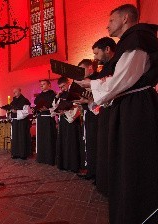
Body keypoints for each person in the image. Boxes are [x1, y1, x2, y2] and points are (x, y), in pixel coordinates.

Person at [75, 4, 158, 223]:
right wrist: (93, 85)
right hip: (129, 105)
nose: (107, 25)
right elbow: (118, 80)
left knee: (134, 160)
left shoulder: (137, 37)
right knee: (125, 159)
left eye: (111, 20)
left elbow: (121, 81)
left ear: (125, 19)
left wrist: (92, 85)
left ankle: (140, 213)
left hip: (136, 108)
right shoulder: (130, 40)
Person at [91, 36, 116, 196]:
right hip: (105, 112)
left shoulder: (117, 65)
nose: (95, 58)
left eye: (96, 53)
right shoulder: (106, 68)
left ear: (107, 49)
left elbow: (114, 88)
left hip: (115, 112)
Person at [76, 59, 99, 180]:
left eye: (82, 69)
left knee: (95, 143)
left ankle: (97, 173)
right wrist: (81, 103)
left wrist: (88, 101)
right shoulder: (84, 82)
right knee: (89, 143)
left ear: (90, 67)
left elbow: (103, 99)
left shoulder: (97, 79)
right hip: (88, 115)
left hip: (97, 117)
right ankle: (91, 170)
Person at [54, 77, 81, 172]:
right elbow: (55, 106)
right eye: (60, 87)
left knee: (71, 142)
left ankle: (73, 165)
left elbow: (77, 106)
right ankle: (64, 163)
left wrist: (65, 112)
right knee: (64, 142)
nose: (62, 89)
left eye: (63, 86)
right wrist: (57, 98)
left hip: (71, 121)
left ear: (68, 82)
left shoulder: (74, 91)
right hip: (63, 121)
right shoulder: (62, 94)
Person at [33, 80, 57, 165]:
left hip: (48, 118)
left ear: (49, 85)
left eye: (43, 84)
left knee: (49, 138)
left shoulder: (53, 95)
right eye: (41, 85)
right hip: (40, 119)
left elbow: (55, 107)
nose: (41, 86)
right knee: (41, 138)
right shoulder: (39, 96)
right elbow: (36, 105)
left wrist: (47, 109)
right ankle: (41, 158)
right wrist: (36, 109)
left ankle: (50, 159)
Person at [9, 88, 31, 160]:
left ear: (20, 91)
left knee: (22, 137)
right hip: (15, 121)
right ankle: (15, 153)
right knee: (15, 137)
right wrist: (9, 111)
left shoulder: (25, 100)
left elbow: (26, 112)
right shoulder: (13, 102)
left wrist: (16, 112)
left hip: (22, 122)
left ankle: (23, 154)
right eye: (13, 92)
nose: (14, 93)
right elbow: (11, 110)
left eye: (15, 92)